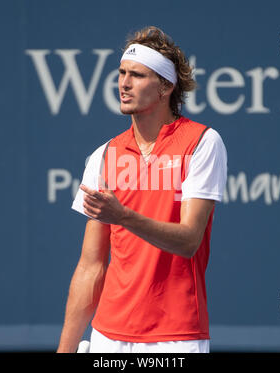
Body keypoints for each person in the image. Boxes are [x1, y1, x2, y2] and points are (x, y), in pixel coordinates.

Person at [57, 26, 227, 353]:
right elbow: (90, 266)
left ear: (165, 86)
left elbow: (190, 240)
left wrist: (123, 216)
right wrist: (65, 349)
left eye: (137, 75)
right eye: (121, 73)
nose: (124, 83)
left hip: (177, 336)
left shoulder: (203, 142)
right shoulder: (104, 155)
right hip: (108, 334)